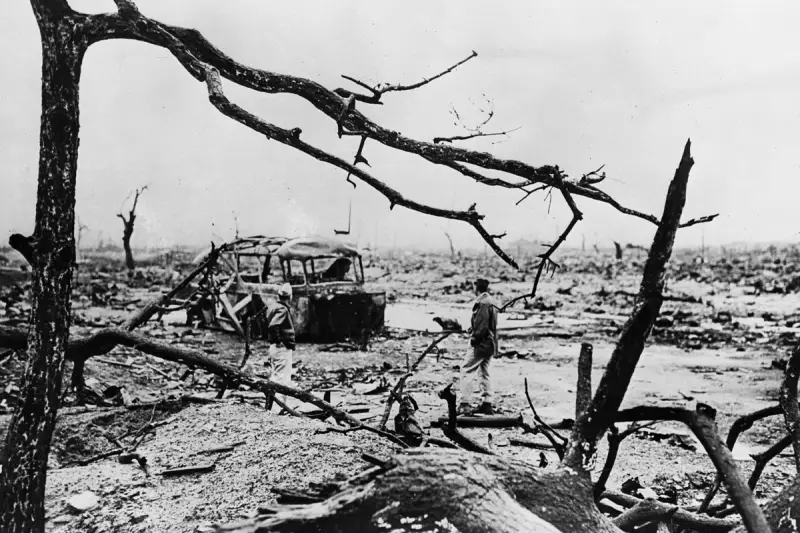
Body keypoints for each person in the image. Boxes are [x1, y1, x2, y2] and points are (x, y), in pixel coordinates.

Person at [458, 277, 498, 415]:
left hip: (481, 343)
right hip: (490, 343)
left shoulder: (482, 303)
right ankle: (487, 403)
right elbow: (488, 323)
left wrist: (474, 338)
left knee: (466, 370)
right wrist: (473, 328)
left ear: (476, 287)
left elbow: (482, 326)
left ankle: (465, 404)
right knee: (484, 372)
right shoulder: (491, 301)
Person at [265, 283, 296, 405]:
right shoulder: (282, 309)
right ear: (290, 296)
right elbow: (273, 325)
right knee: (282, 378)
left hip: (275, 348)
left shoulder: (273, 306)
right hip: (281, 348)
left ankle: (271, 404)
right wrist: (279, 341)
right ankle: (279, 406)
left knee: (276, 375)